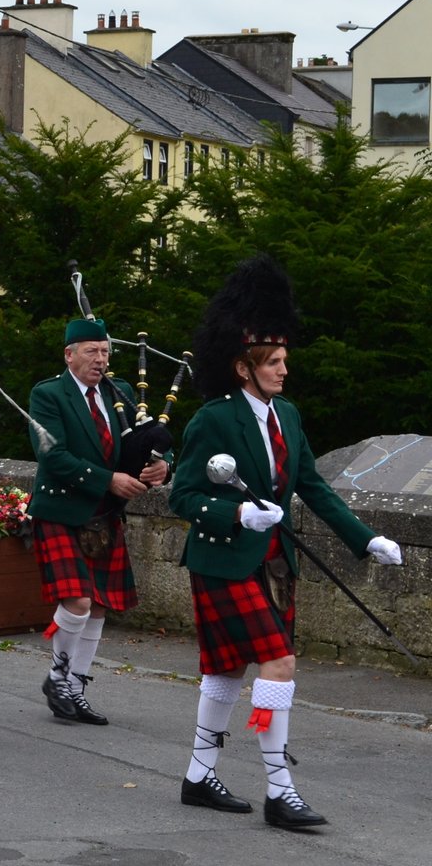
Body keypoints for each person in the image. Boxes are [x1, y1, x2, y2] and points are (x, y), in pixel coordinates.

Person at [169, 255, 401, 830]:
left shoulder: (288, 417)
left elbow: (314, 487)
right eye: (271, 362)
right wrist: (239, 510)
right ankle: (280, 789)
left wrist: (365, 539)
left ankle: (199, 776)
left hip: (274, 564)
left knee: (225, 672)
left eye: (283, 360)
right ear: (243, 368)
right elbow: (182, 496)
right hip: (223, 560)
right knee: (279, 661)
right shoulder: (213, 420)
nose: (282, 370)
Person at [28, 316, 169, 726]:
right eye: (91, 351)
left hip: (104, 515)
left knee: (99, 608)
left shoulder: (120, 393)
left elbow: (149, 441)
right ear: (69, 354)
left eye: (105, 351)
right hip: (61, 509)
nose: (100, 360)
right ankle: (57, 675)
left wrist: (161, 466)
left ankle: (76, 686)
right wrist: (108, 479)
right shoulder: (48, 394)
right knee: (78, 600)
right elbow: (50, 455)